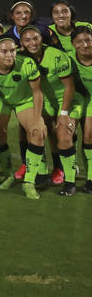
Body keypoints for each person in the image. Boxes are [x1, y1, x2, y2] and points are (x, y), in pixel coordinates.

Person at [18, 25, 80, 194]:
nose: (33, 43)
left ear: (41, 38)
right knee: (35, 130)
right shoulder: (20, 58)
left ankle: (70, 182)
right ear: (21, 43)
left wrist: (64, 114)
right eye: (27, 40)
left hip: (66, 100)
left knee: (63, 135)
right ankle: (41, 172)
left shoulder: (57, 56)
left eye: (35, 38)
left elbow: (69, 87)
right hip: (42, 101)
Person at [0, 35, 46, 200]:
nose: (9, 55)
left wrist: (38, 118)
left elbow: (37, 93)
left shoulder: (26, 63)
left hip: (24, 101)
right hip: (2, 102)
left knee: (37, 132)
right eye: (4, 51)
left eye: (12, 50)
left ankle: (29, 182)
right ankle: (9, 175)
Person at [68, 26, 92, 192]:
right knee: (66, 132)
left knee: (89, 134)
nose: (85, 44)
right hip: (77, 99)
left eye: (88, 40)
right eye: (80, 41)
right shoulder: (68, 59)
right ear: (73, 44)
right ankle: (69, 180)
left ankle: (90, 179)